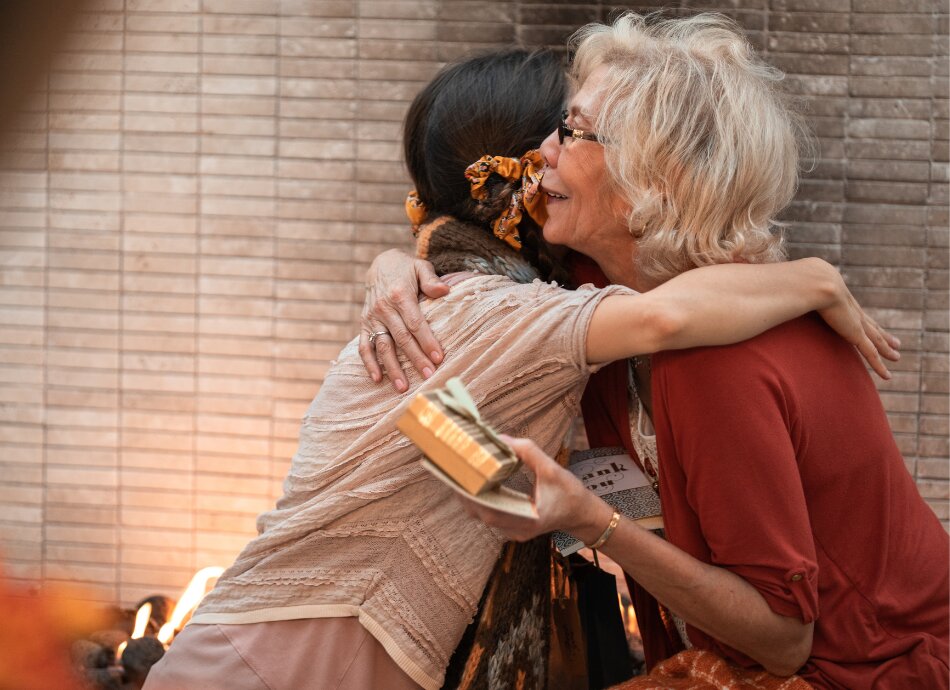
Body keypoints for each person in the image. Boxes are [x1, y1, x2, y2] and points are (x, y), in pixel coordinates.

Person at [144, 48, 894, 690]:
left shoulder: (490, 300)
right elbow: (664, 315)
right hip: (274, 667)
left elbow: (472, 465)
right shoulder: (503, 317)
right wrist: (818, 276)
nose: (554, 151)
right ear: (520, 177)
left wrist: (395, 263)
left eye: (575, 133)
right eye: (558, 129)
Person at [363, 13, 948, 690]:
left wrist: (593, 521)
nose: (541, 153)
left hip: (858, 672)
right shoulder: (599, 287)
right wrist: (390, 268)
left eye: (575, 132)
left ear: (654, 186)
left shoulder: (717, 359)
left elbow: (785, 643)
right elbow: (474, 292)